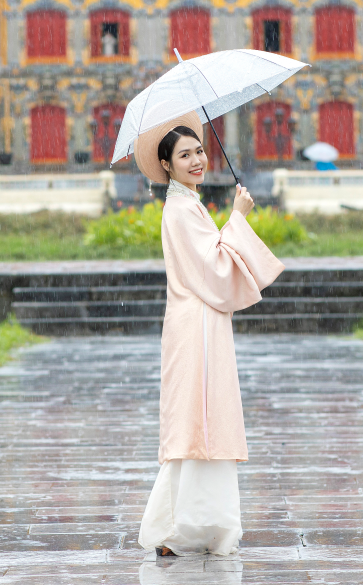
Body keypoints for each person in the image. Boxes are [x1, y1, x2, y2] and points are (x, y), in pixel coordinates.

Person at [133, 111, 284, 557]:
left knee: (200, 419)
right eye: (185, 155)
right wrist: (237, 217)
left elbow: (210, 259)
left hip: (201, 319)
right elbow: (215, 269)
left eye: (199, 150)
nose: (197, 160)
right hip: (196, 323)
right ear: (167, 165)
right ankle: (187, 530)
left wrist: (229, 223)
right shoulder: (180, 209)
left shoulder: (188, 204)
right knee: (199, 420)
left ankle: (190, 526)